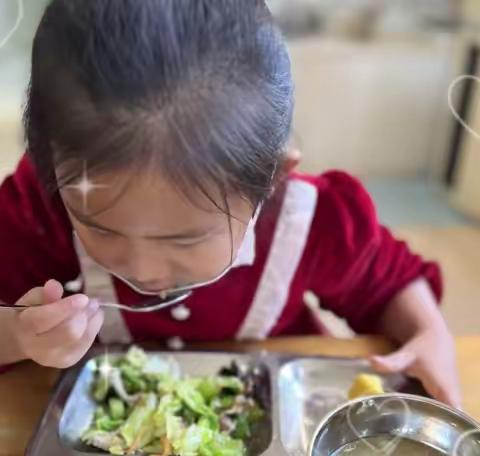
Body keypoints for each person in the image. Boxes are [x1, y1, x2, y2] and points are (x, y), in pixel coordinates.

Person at [0, 0, 460, 407]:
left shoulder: (309, 222)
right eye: (100, 227)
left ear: (270, 178)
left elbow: (387, 284)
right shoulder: (40, 211)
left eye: (184, 238)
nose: (142, 268)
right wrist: (18, 335)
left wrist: (429, 334)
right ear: (50, 167)